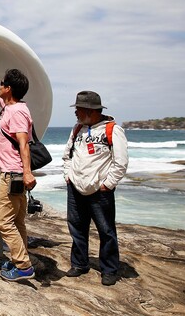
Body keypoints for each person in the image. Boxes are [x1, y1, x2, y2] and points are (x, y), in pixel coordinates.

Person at [0, 60, 36, 282]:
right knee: (17, 221)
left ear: (9, 88)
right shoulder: (8, 108)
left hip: (13, 174)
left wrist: (28, 172)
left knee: (2, 222)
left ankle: (23, 266)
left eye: (2, 83)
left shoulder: (17, 112)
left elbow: (23, 144)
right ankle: (20, 259)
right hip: (16, 174)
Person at [62, 91, 129, 286]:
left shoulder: (112, 129)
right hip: (76, 187)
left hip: (100, 190)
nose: (75, 112)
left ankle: (109, 269)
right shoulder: (77, 129)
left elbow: (121, 162)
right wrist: (68, 175)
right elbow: (67, 155)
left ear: (90, 110)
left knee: (106, 230)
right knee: (76, 228)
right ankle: (79, 264)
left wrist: (108, 184)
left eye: (78, 109)